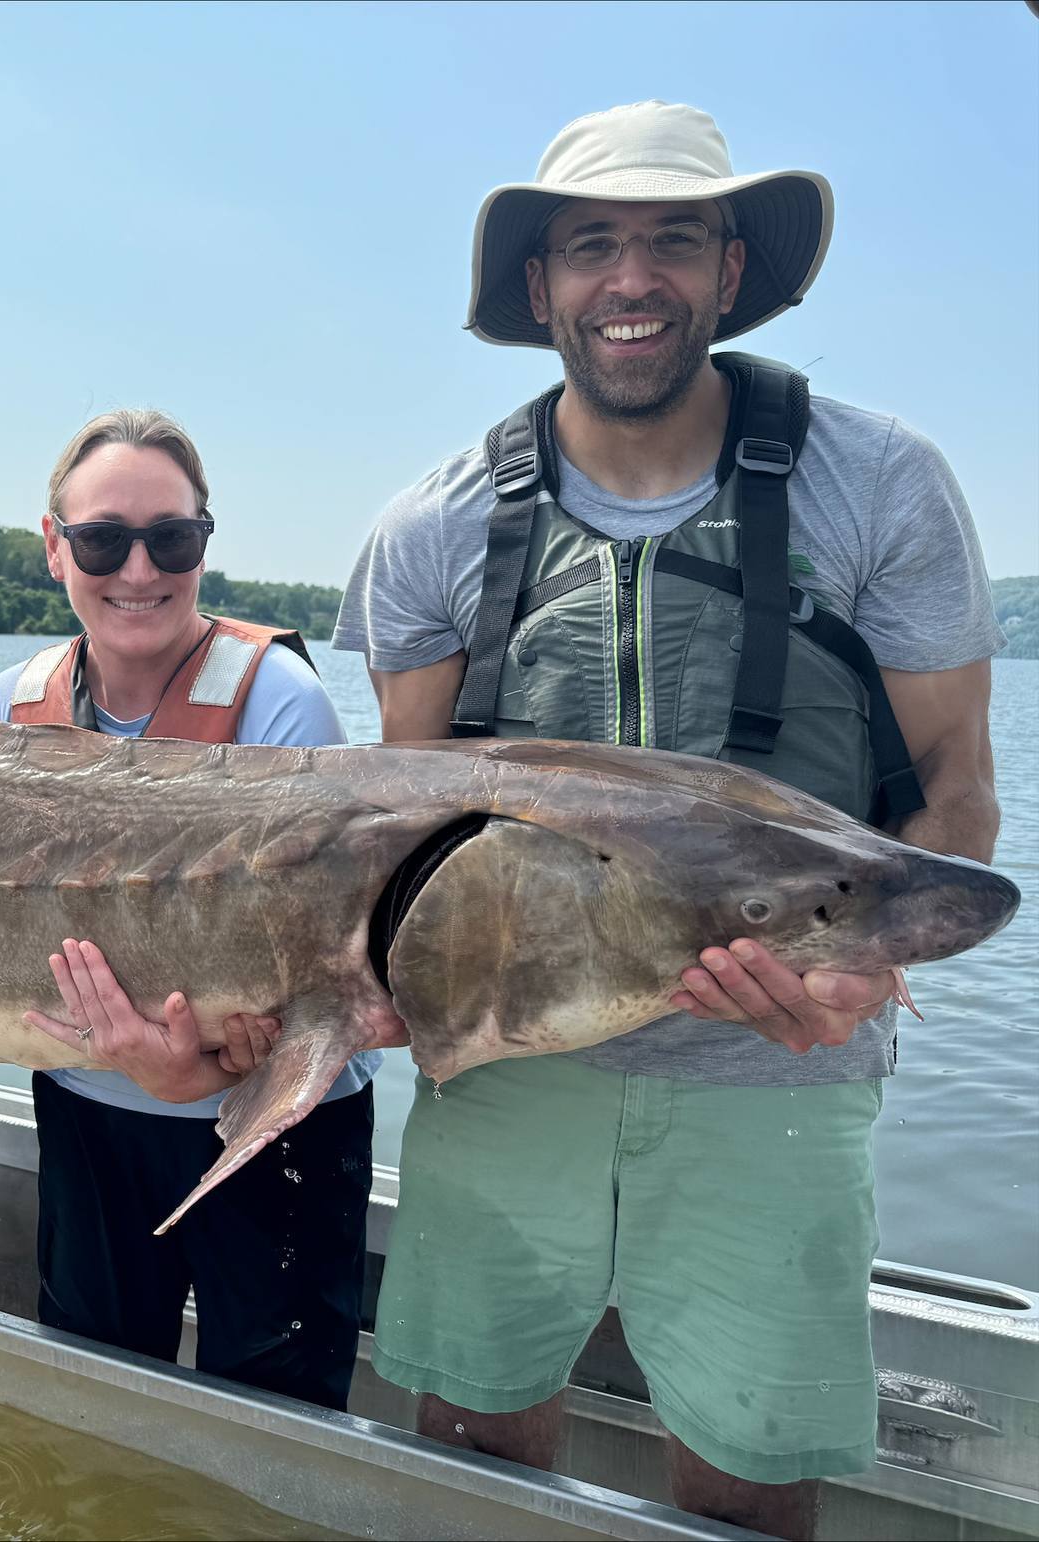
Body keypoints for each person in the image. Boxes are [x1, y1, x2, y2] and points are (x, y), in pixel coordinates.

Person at [337, 101, 1002, 1537]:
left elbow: (957, 787)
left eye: (670, 240)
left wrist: (868, 967)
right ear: (539, 287)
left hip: (780, 1063)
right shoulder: (435, 525)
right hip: (507, 1065)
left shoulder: (881, 482)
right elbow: (400, 835)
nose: (629, 278)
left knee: (755, 1458)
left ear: (729, 267)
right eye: (591, 245)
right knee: (467, 1424)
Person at [0, 409, 380, 1412]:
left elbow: (336, 973)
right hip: (87, 1118)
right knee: (97, 1407)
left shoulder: (280, 705)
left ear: (204, 543)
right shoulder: (2, 708)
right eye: (103, 539)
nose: (138, 569)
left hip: (277, 1131)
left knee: (271, 1416)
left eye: (172, 539)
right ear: (52, 548)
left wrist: (189, 1075)